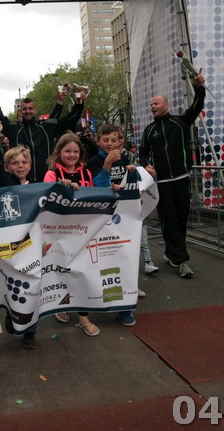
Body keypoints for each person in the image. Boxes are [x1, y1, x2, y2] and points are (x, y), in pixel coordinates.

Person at [139, 71, 206, 278]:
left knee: (181, 219)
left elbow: (197, 106)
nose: (153, 106)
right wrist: (146, 166)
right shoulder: (149, 130)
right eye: (151, 104)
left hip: (182, 179)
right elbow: (142, 153)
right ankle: (182, 261)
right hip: (162, 183)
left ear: (166, 106)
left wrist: (199, 88)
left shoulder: (181, 122)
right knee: (170, 221)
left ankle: (171, 252)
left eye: (156, 103)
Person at [42, 132, 104, 335]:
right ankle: (62, 304)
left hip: (83, 231)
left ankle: (83, 318)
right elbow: (46, 199)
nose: (72, 155)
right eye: (67, 151)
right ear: (59, 152)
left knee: (82, 272)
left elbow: (94, 198)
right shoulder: (52, 173)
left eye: (75, 151)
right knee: (61, 271)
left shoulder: (86, 173)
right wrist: (63, 188)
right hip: (59, 233)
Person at [0, 122, 38, 348]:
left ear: (30, 165)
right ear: (6, 167)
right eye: (15, 163)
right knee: (11, 284)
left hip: (32, 246)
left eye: (24, 162)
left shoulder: (38, 186)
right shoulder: (4, 182)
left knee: (33, 285)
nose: (20, 166)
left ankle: (30, 331)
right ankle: (11, 312)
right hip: (9, 245)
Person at [89, 124, 159, 276]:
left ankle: (146, 263)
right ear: (98, 141)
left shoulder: (124, 158)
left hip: (127, 206)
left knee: (136, 233)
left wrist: (144, 172)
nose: (110, 143)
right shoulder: (94, 161)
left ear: (119, 142)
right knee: (112, 245)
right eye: (105, 140)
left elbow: (133, 176)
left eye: (113, 140)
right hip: (107, 211)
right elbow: (99, 184)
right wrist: (107, 164)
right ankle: (113, 275)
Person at [0, 82, 84, 182]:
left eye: (30, 108)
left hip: (47, 181)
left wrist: (79, 102)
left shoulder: (46, 127)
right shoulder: (14, 129)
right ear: (21, 111)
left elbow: (70, 120)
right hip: (20, 182)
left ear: (35, 110)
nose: (28, 111)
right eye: (25, 109)